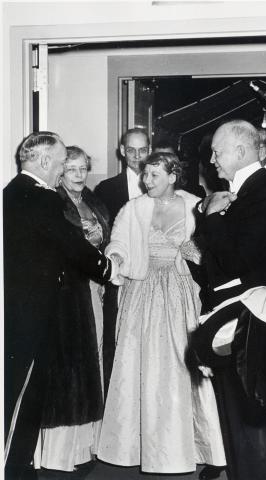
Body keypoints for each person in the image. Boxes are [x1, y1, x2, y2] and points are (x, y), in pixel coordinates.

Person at [97, 152, 226, 473]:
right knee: (140, 364)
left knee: (183, 365)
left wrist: (194, 253)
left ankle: (188, 447)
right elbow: (118, 244)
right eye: (145, 175)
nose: (147, 181)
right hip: (142, 291)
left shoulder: (194, 205)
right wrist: (116, 257)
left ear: (172, 177)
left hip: (180, 291)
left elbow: (208, 249)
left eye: (155, 175)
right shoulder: (134, 208)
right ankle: (138, 447)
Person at [195, 120, 266, 480]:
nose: (212, 160)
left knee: (247, 425)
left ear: (240, 152)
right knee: (239, 422)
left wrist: (211, 218)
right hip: (241, 315)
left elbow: (240, 261)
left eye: (218, 152)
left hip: (249, 319)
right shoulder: (252, 190)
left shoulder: (265, 192)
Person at [4, 132, 113, 480]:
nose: (65, 167)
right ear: (44, 161)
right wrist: (106, 268)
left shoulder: (12, 193)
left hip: (22, 312)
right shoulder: (40, 198)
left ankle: (19, 466)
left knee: (25, 392)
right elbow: (71, 245)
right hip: (33, 315)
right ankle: (13, 468)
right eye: (63, 160)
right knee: (23, 395)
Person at [33, 146, 110, 471]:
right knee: (72, 365)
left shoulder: (92, 200)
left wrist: (100, 241)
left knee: (93, 356)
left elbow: (103, 238)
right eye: (72, 169)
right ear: (61, 172)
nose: (79, 175)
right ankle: (61, 453)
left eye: (83, 169)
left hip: (92, 286)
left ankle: (87, 443)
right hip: (67, 292)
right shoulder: (55, 203)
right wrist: (86, 242)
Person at [94, 127, 150, 393]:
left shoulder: (166, 185)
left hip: (155, 277)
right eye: (131, 150)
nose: (137, 156)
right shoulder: (105, 189)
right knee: (116, 341)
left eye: (143, 150)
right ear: (122, 151)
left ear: (150, 151)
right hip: (121, 278)